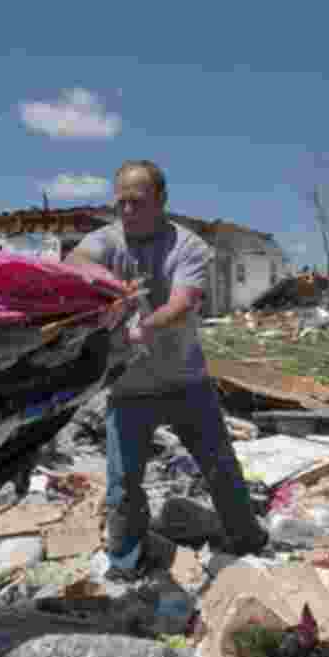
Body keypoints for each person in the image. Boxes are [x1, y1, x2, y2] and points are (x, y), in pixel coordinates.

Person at [65, 160, 269, 580]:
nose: (125, 211)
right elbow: (75, 260)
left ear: (161, 201)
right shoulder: (106, 240)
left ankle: (248, 542)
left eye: (136, 202)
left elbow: (181, 304)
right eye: (119, 202)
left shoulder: (188, 246)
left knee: (220, 467)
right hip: (129, 388)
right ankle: (125, 563)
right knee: (123, 484)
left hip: (186, 382)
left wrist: (144, 325)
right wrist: (110, 284)